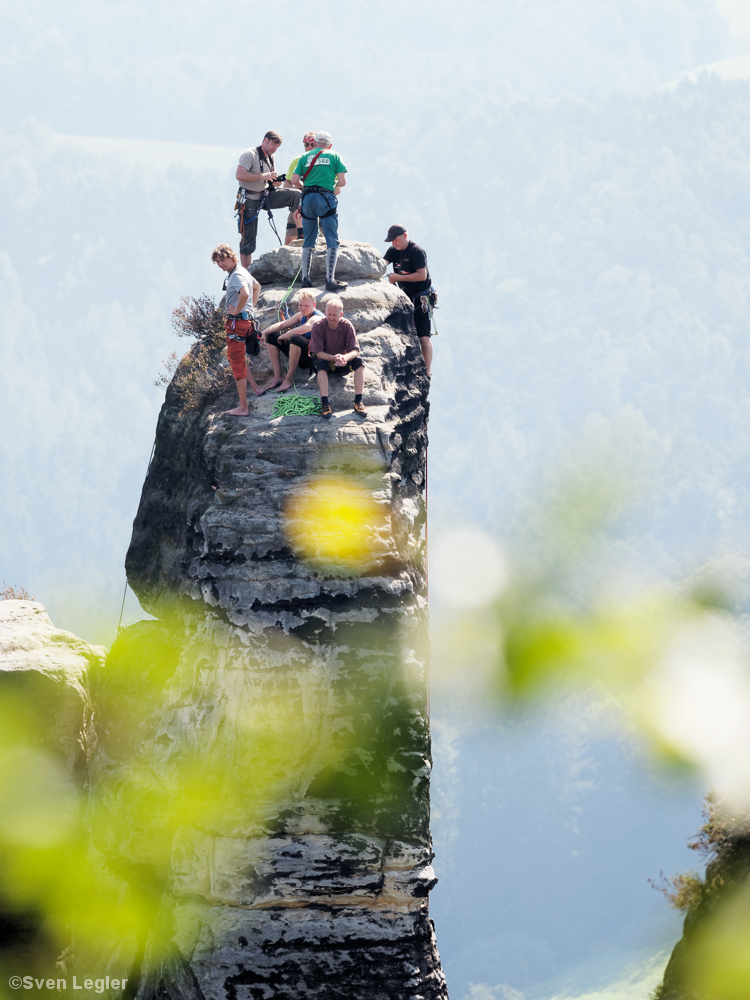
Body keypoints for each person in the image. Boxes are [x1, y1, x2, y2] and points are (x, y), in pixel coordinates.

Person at [291, 131, 348, 293]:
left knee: (309, 239)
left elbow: (294, 181)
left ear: (314, 143)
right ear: (329, 145)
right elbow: (342, 182)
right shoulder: (334, 156)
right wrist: (329, 181)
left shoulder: (305, 157)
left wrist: (307, 186)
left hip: (308, 198)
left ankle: (305, 279)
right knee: (331, 238)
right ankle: (329, 280)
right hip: (326, 198)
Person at [211, 243, 263, 415]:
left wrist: (237, 309)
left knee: (236, 364)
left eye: (222, 260)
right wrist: (251, 309)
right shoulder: (242, 271)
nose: (220, 265)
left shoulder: (235, 276)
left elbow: (246, 293)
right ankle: (256, 388)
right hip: (247, 323)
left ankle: (243, 407)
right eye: (217, 262)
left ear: (230, 256)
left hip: (237, 325)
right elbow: (257, 287)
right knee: (238, 357)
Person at [236, 130, 301, 266]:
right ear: (265, 140)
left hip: (265, 194)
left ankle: (301, 233)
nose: (275, 148)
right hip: (250, 197)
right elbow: (240, 175)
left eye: (277, 146)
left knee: (296, 195)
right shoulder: (250, 154)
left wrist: (274, 182)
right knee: (248, 238)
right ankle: (247, 273)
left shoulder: (270, 156)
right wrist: (262, 176)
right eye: (273, 144)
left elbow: (269, 177)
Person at [383, 225, 434, 378]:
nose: (393, 243)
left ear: (405, 235)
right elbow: (384, 262)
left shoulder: (416, 251)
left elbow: (421, 275)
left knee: (423, 336)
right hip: (404, 297)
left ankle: (427, 371)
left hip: (421, 297)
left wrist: (399, 278)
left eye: (396, 240)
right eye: (391, 241)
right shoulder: (394, 250)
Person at [309, 298, 366, 418]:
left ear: (341, 314)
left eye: (334, 315)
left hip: (342, 363)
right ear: (325, 312)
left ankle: (358, 402)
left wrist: (344, 358)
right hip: (327, 361)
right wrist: (335, 358)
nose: (331, 318)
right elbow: (319, 353)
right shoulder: (318, 326)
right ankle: (325, 404)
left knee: (359, 362)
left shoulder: (346, 325)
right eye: (329, 314)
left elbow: (355, 350)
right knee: (320, 363)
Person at [261, 291, 323, 392]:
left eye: (306, 306)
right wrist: (264, 332)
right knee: (272, 337)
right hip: (301, 355)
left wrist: (285, 336)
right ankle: (278, 377)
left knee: (295, 338)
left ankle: (289, 379)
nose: (302, 308)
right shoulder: (301, 315)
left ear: (314, 305)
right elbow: (282, 325)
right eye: (300, 305)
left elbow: (304, 328)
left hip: (313, 358)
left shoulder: (317, 317)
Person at [283, 131, 317, 244]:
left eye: (313, 144)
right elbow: (287, 183)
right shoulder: (297, 161)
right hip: (298, 207)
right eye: (306, 144)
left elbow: (337, 188)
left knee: (320, 242)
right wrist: (299, 192)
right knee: (290, 242)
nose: (309, 147)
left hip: (318, 206)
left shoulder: (325, 162)